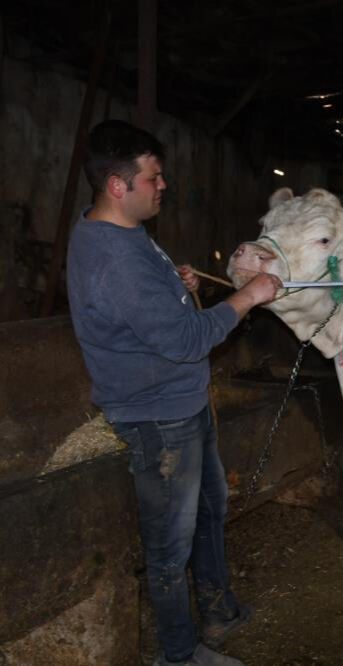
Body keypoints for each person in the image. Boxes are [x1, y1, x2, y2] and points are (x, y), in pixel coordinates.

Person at [66, 119, 282, 665]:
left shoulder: (118, 233)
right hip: (159, 419)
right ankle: (178, 656)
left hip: (181, 403)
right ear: (119, 185)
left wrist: (176, 288)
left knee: (211, 508)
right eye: (153, 177)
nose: (162, 185)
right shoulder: (117, 258)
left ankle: (217, 609)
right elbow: (187, 341)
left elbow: (147, 308)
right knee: (168, 547)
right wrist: (248, 297)